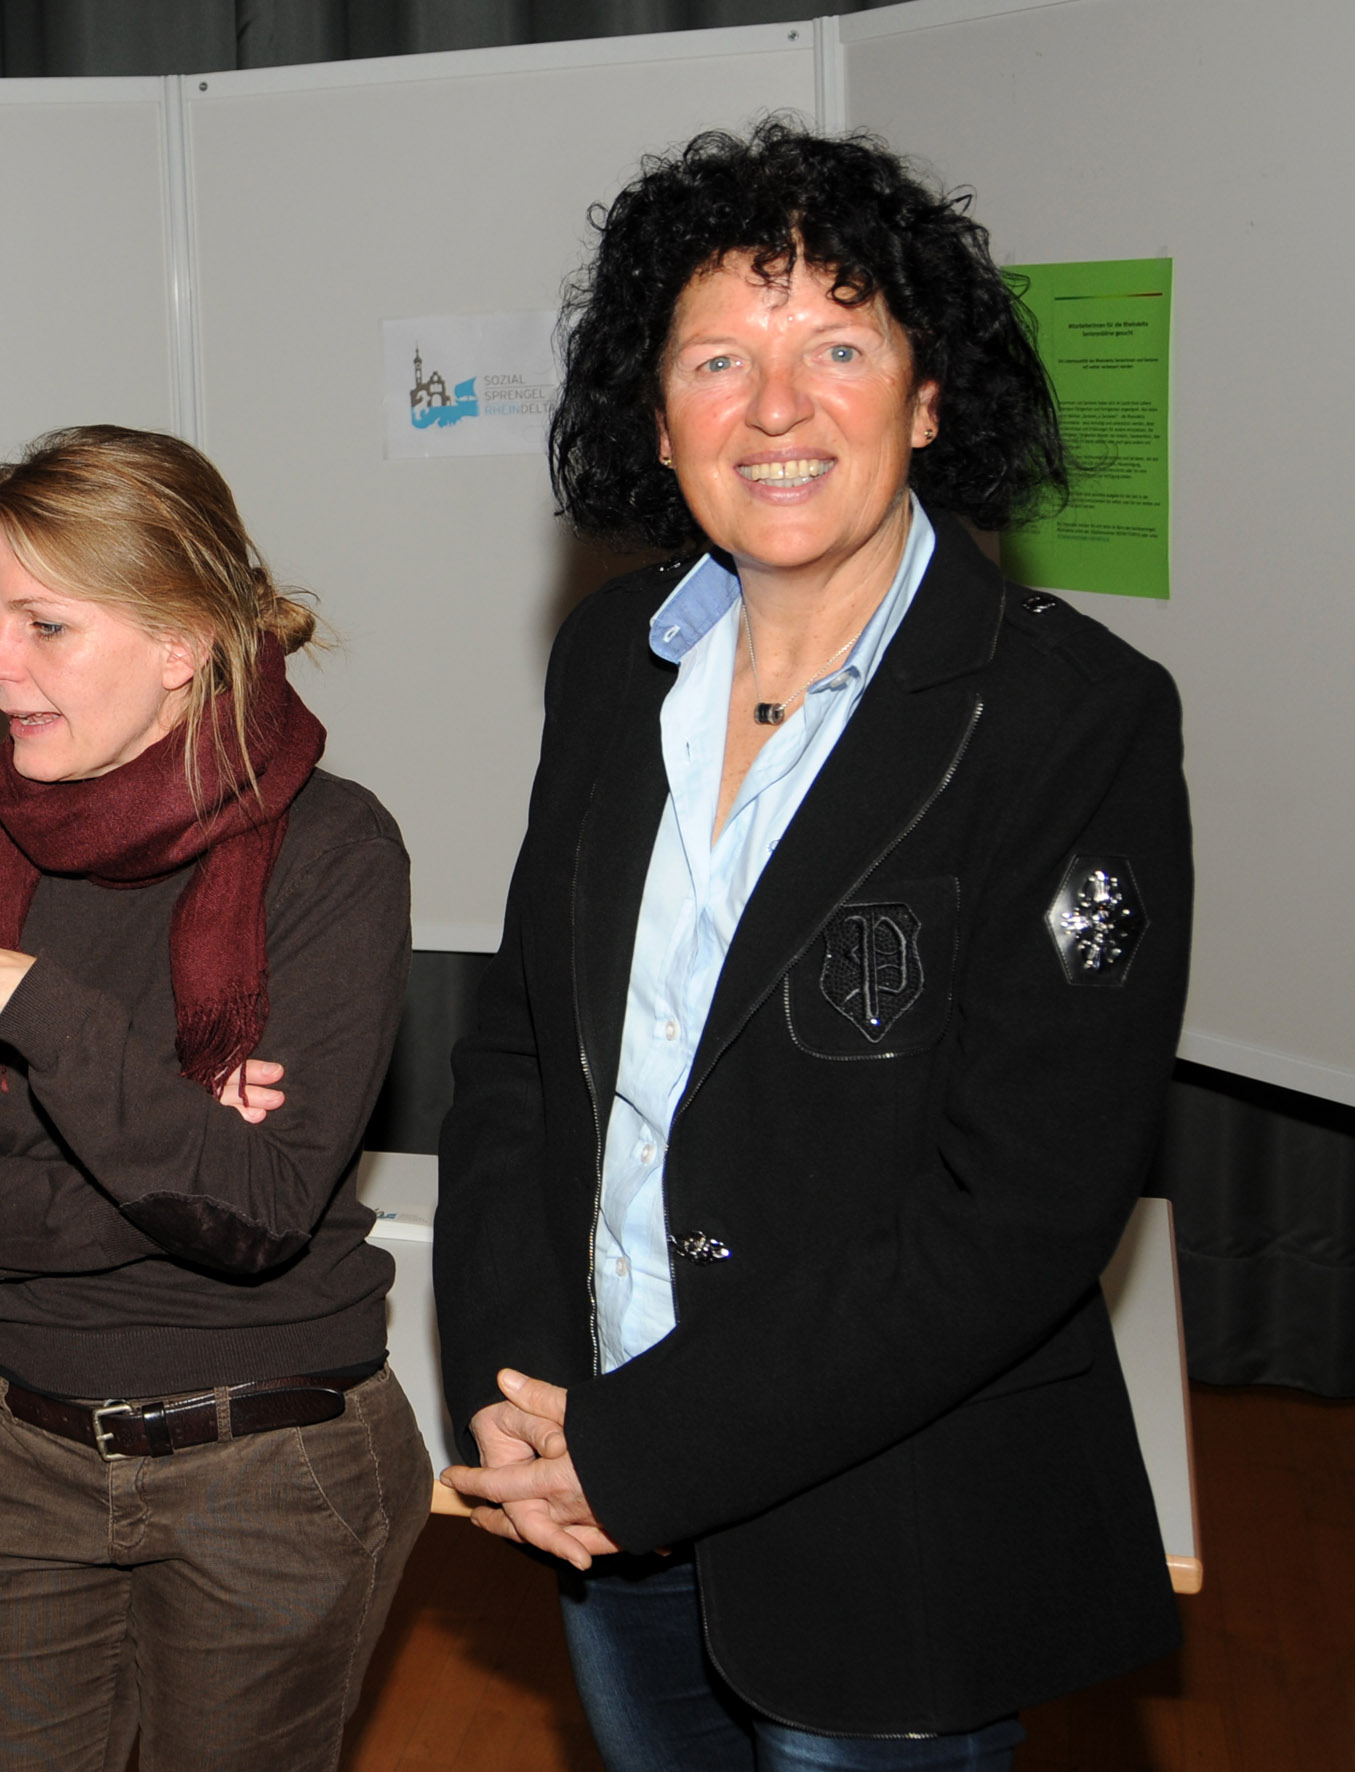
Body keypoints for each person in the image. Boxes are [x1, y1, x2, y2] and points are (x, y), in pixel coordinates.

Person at [435, 121, 1191, 1770]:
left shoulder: (1071, 717)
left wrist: (649, 1449)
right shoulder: (609, 659)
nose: (776, 408)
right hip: (592, 1481)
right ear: (659, 417)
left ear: (928, 399)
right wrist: (516, 1389)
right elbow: (521, 1054)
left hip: (888, 1528)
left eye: (838, 348)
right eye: (720, 358)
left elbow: (1022, 1213)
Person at [0, 426, 428, 1772]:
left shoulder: (335, 851)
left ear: (182, 641)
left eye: (44, 624)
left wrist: (39, 1012)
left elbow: (258, 1213)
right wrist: (178, 1152)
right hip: (19, 1458)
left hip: (271, 1470)